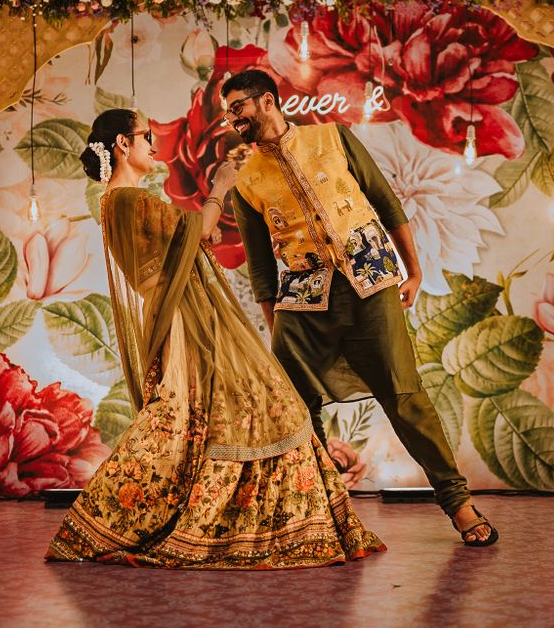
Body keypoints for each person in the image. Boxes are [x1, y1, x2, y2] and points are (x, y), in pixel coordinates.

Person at [45, 108, 385, 569]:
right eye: (147, 136)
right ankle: (167, 519)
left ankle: (240, 519)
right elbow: (199, 233)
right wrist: (220, 187)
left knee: (206, 418)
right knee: (206, 415)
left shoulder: (117, 203)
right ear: (122, 144)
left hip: (184, 315)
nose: (154, 146)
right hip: (187, 321)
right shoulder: (124, 200)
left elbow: (183, 243)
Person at [223, 70, 498, 547]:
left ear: (266, 101)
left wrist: (413, 271)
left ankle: (458, 503)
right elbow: (262, 268)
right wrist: (276, 329)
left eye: (238, 108)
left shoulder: (333, 138)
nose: (232, 120)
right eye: (228, 112)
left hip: (370, 282)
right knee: (295, 403)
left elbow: (387, 204)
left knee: (403, 394)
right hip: (302, 300)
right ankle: (318, 512)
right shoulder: (246, 181)